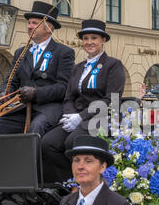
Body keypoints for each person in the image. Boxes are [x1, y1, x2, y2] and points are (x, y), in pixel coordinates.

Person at [41, 19, 125, 183]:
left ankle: (84, 183)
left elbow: (111, 99)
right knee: (47, 143)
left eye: (94, 38)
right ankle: (69, 182)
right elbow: (68, 97)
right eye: (85, 39)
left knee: (72, 142)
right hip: (76, 117)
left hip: (99, 118)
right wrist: (71, 115)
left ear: (103, 40)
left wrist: (81, 116)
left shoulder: (113, 65)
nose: (89, 42)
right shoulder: (77, 68)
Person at [0, 1, 75, 137]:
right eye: (29, 23)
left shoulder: (63, 52)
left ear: (48, 27)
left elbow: (63, 87)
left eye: (34, 23)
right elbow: (12, 80)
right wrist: (5, 93)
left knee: (37, 127)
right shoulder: (20, 52)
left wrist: (36, 93)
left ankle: (33, 159)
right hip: (21, 108)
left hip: (48, 108)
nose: (29, 26)